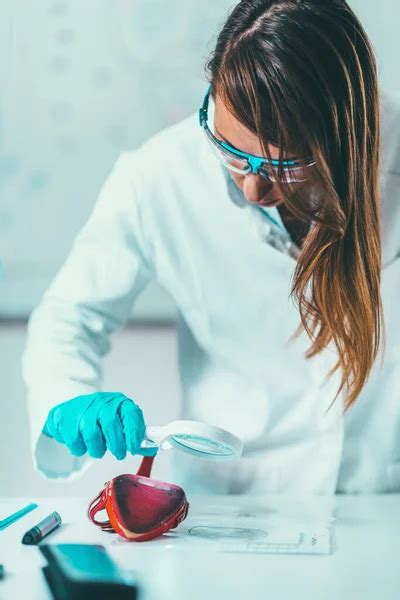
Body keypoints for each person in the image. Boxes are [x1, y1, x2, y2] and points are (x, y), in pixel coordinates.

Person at [23, 0, 400, 494]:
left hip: (380, 507)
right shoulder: (159, 176)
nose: (251, 190)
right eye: (230, 150)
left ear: (344, 133)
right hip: (227, 504)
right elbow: (67, 317)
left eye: (286, 165)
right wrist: (65, 400)